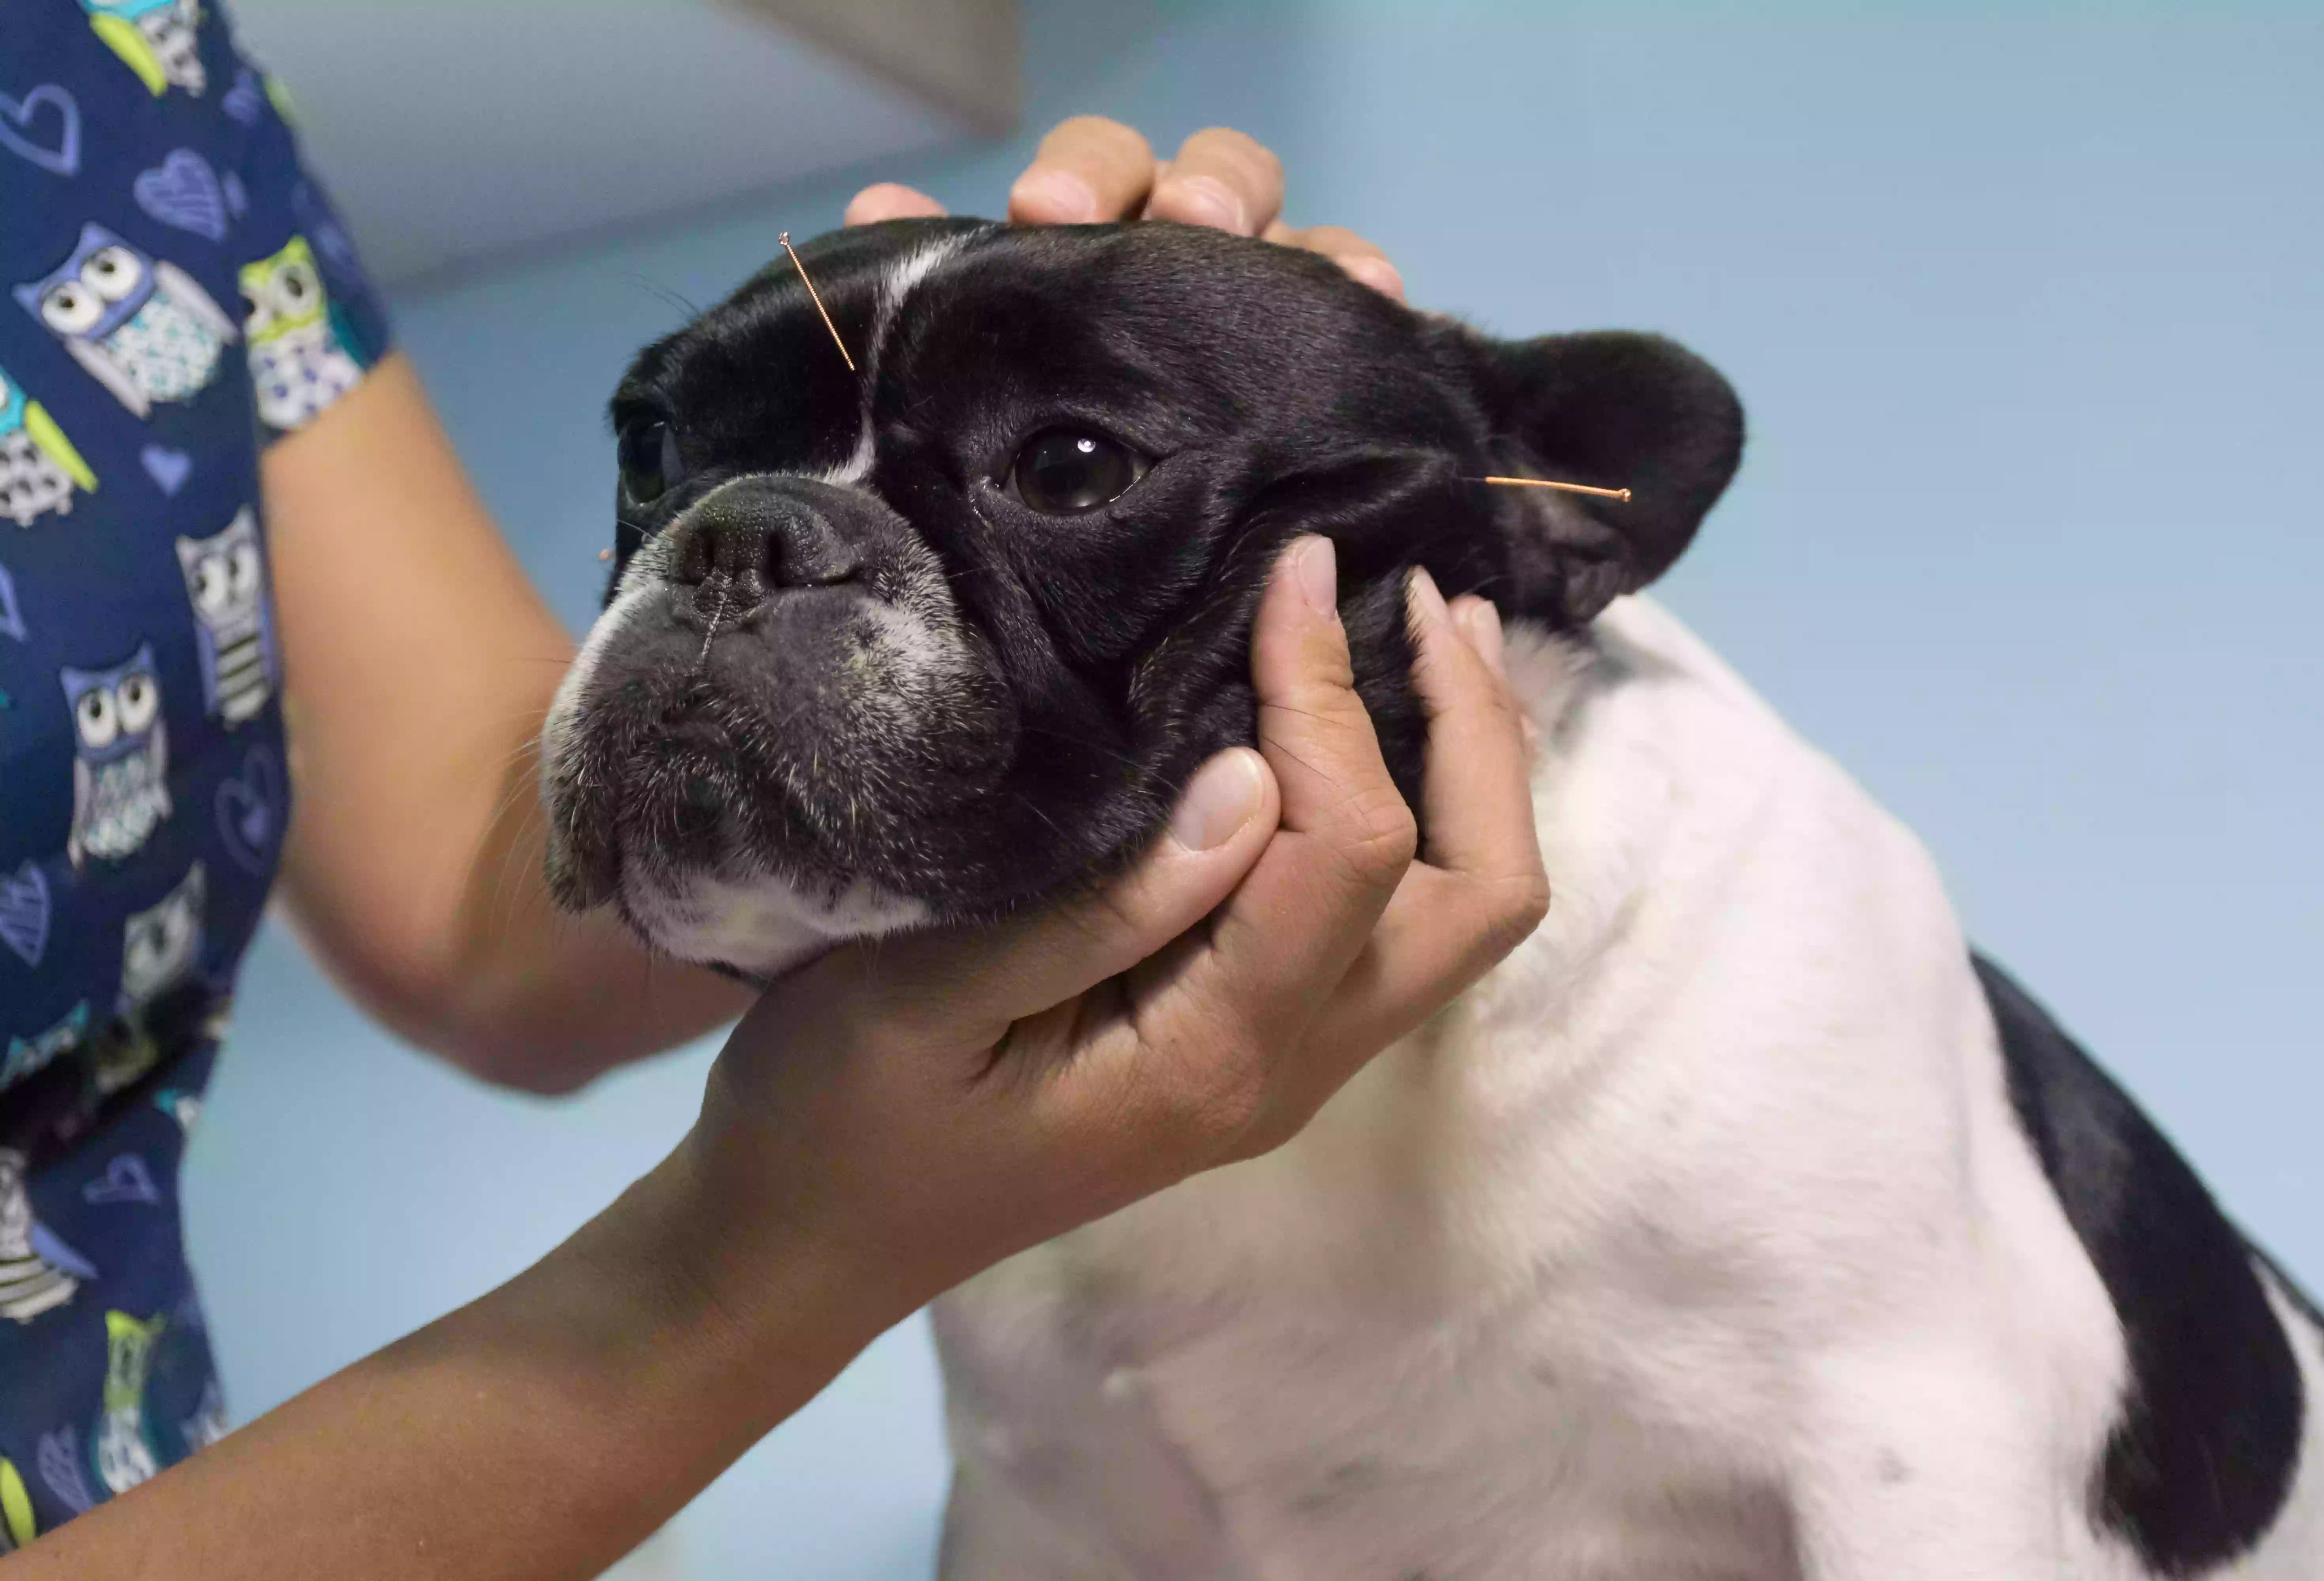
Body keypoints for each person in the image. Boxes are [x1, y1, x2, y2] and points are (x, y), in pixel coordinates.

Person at [0, 4, 1544, 1574]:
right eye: (680, 469)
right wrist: (758, 1262)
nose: (728, 555)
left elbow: (487, 917)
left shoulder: (140, 61)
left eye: (1070, 470)